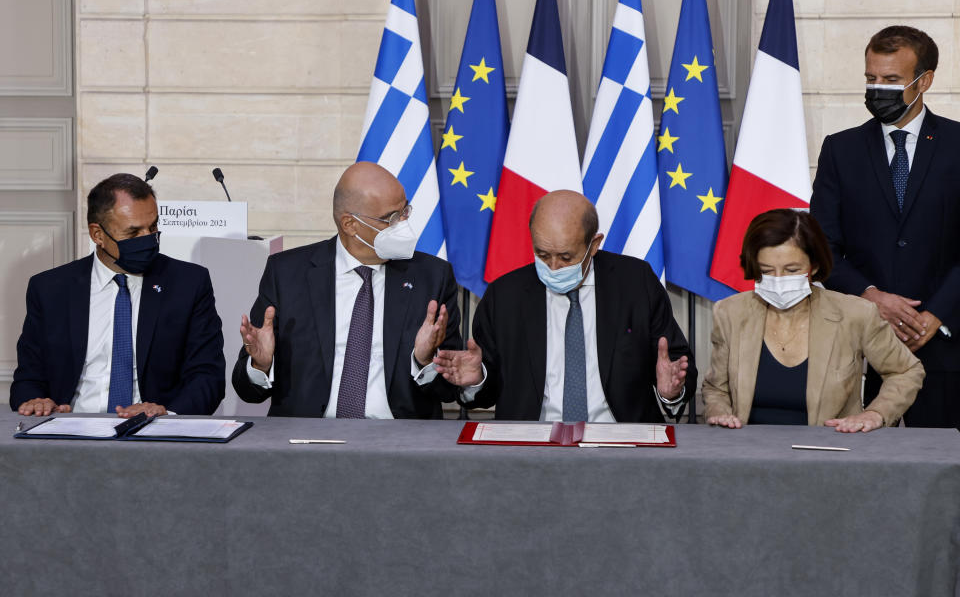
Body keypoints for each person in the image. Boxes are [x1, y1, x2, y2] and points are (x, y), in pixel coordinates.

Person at [432, 190, 696, 422]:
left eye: (566, 257)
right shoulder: (504, 295)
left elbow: (676, 366)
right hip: (530, 446)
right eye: (543, 255)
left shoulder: (636, 283)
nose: (553, 267)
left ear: (594, 244)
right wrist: (478, 379)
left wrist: (671, 391)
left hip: (620, 442)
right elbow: (485, 393)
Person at [810, 25, 960, 429]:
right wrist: (871, 296)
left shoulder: (957, 144)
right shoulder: (840, 150)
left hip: (946, 349)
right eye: (871, 79)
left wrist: (936, 316)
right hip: (860, 345)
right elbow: (821, 246)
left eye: (891, 80)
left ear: (923, 81)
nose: (878, 89)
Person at [232, 162, 460, 418]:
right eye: (392, 218)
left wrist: (425, 361)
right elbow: (247, 391)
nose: (404, 223)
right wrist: (260, 365)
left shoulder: (433, 277)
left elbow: (452, 391)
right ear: (350, 225)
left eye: (405, 210)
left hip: (400, 442)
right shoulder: (286, 274)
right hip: (306, 442)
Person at [11, 173, 226, 417]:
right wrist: (36, 402)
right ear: (98, 235)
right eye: (133, 233)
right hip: (69, 430)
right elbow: (28, 377)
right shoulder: (50, 289)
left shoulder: (188, 284)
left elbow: (208, 377)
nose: (148, 239)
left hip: (153, 434)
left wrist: (167, 414)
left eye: (153, 227)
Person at [703, 209, 923, 431]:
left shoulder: (855, 314)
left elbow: (906, 371)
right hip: (748, 453)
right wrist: (720, 413)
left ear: (814, 266)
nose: (779, 280)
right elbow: (716, 388)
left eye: (791, 270)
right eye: (767, 271)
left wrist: (876, 414)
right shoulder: (731, 312)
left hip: (831, 453)